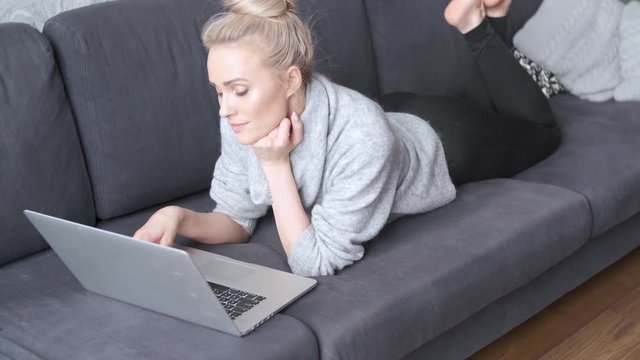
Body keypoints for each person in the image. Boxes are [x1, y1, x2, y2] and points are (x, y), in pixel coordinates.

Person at [134, 0, 561, 276]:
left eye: (239, 90)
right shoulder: (240, 117)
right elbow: (237, 217)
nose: (225, 108)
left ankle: (477, 26)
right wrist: (181, 218)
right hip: (391, 111)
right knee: (486, 104)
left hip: (442, 142)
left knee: (541, 133)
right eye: (219, 91)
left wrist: (276, 165)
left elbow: (314, 262)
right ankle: (489, 17)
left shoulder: (360, 135)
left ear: (289, 80)